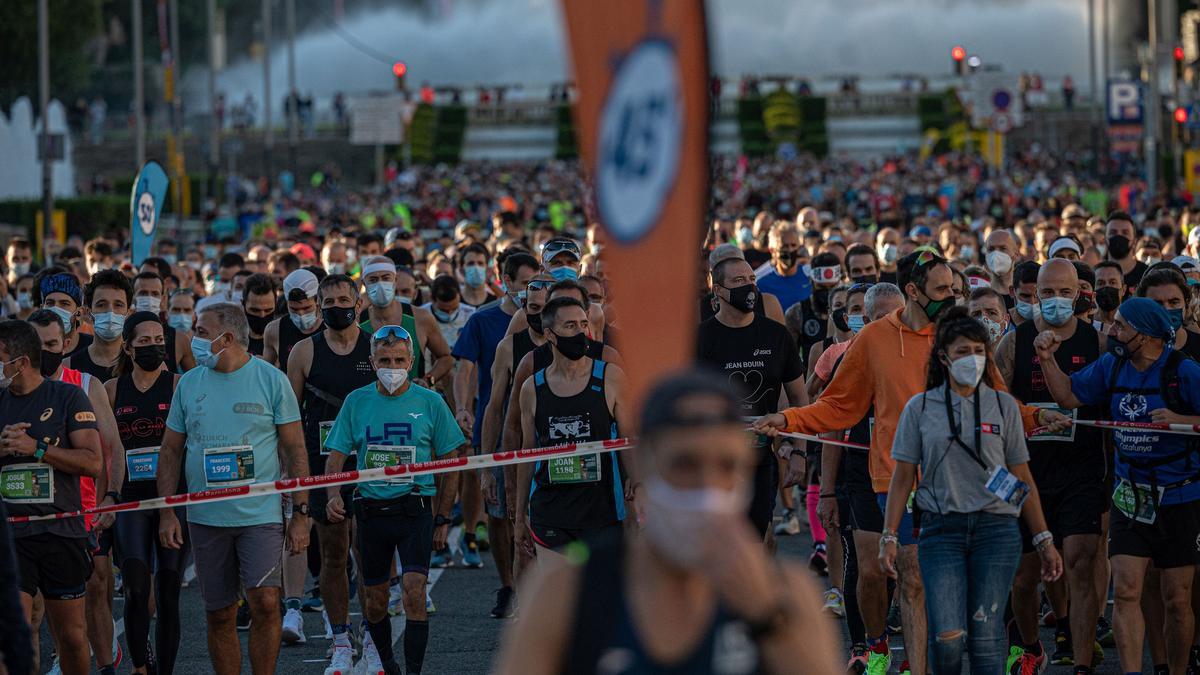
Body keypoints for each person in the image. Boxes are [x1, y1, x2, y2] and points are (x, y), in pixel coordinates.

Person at [753, 250, 1067, 675]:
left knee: (944, 594)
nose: (953, 296)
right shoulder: (873, 340)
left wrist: (1035, 417)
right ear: (913, 292)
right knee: (913, 580)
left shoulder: (960, 337)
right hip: (894, 482)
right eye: (943, 290)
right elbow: (838, 407)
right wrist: (787, 419)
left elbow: (997, 399)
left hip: (960, 485)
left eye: (955, 289)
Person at [494, 369, 839, 675]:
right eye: (685, 465)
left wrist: (766, 619)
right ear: (645, 464)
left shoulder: (787, 595)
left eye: (726, 466)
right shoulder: (566, 592)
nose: (707, 486)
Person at [879, 306, 1063, 675]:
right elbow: (901, 477)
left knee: (984, 637)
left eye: (980, 351)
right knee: (947, 639)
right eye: (963, 352)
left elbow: (1021, 477)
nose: (973, 359)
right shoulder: (920, 408)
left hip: (996, 531)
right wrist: (889, 536)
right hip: (940, 530)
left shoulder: (1004, 407)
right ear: (944, 358)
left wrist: (1043, 539)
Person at [1035, 297, 1200, 674]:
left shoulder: (1184, 372)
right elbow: (1068, 396)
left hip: (1181, 496)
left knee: (1177, 599)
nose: (1112, 331)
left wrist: (1179, 417)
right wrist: (1047, 358)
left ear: (1145, 335)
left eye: (1122, 326)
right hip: (1130, 494)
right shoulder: (1112, 364)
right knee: (1125, 590)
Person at [155, 302, 311, 675]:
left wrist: (301, 515)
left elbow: (295, 449)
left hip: (260, 517)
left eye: (201, 332)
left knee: (266, 604)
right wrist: (166, 513)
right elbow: (171, 450)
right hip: (206, 518)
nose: (193, 339)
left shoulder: (271, 379)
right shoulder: (189, 383)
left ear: (227, 338)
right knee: (220, 613)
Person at [322, 324, 468, 675]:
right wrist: (332, 495)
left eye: (399, 359)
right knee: (373, 602)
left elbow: (453, 461)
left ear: (412, 361)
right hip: (370, 511)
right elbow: (336, 455)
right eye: (384, 359)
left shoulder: (431, 402)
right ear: (372, 361)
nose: (392, 366)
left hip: (414, 506)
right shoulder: (357, 402)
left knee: (414, 591)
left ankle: (414, 671)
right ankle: (388, 663)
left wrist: (444, 517)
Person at [993, 259, 1104, 670]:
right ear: (1034, 294)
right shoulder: (1014, 342)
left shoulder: (1098, 342)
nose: (1056, 300)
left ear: (1079, 295)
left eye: (1065, 292)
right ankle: (1030, 646)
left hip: (1082, 471)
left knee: (1079, 560)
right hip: (1028, 475)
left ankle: (1081, 657)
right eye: (1048, 292)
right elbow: (997, 402)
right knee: (1025, 579)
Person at [285, 273, 377, 672]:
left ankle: (373, 636)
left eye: (345, 299)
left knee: (372, 555)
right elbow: (289, 420)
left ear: (359, 304)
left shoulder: (378, 346)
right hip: (324, 467)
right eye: (329, 300)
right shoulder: (305, 352)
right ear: (318, 305)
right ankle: (340, 637)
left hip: (372, 463)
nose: (337, 306)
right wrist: (293, 476)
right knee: (334, 556)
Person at [0, 319, 102, 675]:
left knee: (72, 636)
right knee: (13, 631)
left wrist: (37, 448)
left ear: (20, 362)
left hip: (61, 531)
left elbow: (93, 463)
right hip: (12, 536)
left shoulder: (67, 396)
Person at [515, 297, 635, 560]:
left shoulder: (610, 377)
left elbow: (629, 440)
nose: (580, 332)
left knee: (599, 598)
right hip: (550, 512)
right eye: (570, 326)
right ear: (550, 334)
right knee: (559, 597)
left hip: (601, 512)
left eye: (583, 324)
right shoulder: (531, 389)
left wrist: (635, 485)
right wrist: (519, 514)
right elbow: (527, 454)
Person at [696, 255, 807, 539]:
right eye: (739, 281)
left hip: (761, 460)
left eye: (752, 280)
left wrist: (798, 452)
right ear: (718, 290)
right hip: (714, 464)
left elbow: (799, 399)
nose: (749, 287)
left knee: (755, 537)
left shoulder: (776, 335)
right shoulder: (699, 339)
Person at [457, 250, 539, 616]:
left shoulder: (552, 325)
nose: (532, 292)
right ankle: (507, 584)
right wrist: (463, 407)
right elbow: (466, 369)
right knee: (499, 513)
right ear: (506, 282)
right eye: (525, 285)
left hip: (537, 434)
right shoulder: (484, 321)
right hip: (496, 426)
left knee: (531, 514)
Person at [104, 311, 186, 675]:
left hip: (174, 498)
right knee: (137, 588)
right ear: (128, 347)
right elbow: (105, 448)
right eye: (145, 342)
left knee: (168, 594)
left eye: (159, 341)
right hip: (131, 500)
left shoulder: (179, 385)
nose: (154, 347)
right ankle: (140, 665)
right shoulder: (110, 390)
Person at [264, 268, 324, 369]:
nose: (301, 314)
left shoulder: (331, 326)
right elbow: (266, 372)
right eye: (294, 309)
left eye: (307, 308)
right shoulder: (274, 330)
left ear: (317, 301)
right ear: (287, 303)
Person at [755, 220, 813, 312]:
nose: (790, 250)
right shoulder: (761, 283)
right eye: (784, 246)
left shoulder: (811, 276)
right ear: (772, 251)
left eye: (793, 245)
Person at [1105, 211, 1148, 294]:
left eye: (1125, 233)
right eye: (1113, 232)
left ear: (1135, 241)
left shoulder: (1147, 275)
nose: (1119, 236)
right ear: (1104, 239)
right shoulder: (1096, 274)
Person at [242, 273, 278, 358]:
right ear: (243, 304)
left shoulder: (285, 337)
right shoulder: (234, 340)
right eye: (255, 310)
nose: (262, 315)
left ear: (276, 305)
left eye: (268, 310)